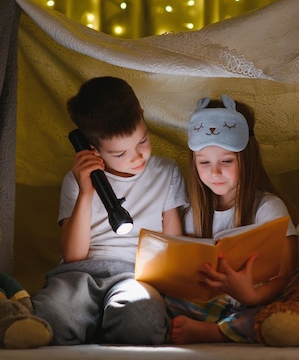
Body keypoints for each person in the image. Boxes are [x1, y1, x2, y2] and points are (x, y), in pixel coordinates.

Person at [31, 76, 188, 345]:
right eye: (119, 154)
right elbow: (73, 255)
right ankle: (88, 319)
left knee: (142, 324)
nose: (137, 157)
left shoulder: (167, 173)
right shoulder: (77, 181)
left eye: (142, 141)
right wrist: (87, 191)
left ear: (141, 115)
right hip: (79, 275)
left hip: (136, 276)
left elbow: (172, 245)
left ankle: (102, 322)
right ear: (93, 149)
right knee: (50, 318)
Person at [166, 94, 298, 344]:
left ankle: (216, 333)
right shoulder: (194, 212)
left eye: (226, 161)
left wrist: (250, 295)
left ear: (246, 159)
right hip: (209, 304)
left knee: (288, 307)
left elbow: (286, 275)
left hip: (255, 301)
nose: (214, 172)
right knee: (155, 297)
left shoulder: (268, 207)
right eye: (204, 162)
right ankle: (218, 326)